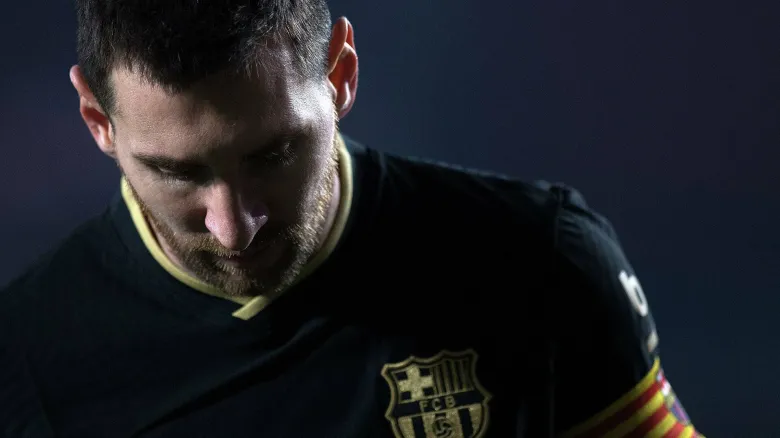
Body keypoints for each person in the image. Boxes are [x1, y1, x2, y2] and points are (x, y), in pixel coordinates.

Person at [0, 1, 705, 437]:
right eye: (178, 173)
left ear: (339, 76)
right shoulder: (25, 366)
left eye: (272, 155)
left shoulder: (542, 263)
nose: (233, 227)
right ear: (97, 120)